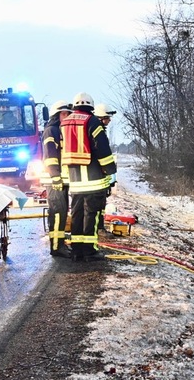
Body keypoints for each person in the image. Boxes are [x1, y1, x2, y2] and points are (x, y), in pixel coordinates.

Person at [60, 92, 117, 262]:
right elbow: (102, 149)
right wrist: (109, 169)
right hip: (93, 179)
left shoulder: (65, 123)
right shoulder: (92, 121)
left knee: (77, 214)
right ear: (91, 106)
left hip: (75, 180)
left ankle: (77, 250)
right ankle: (90, 251)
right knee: (91, 214)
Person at [41, 100, 73, 258]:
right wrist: (55, 176)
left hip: (61, 179)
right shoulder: (51, 131)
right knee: (58, 212)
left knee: (62, 211)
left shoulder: (61, 130)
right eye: (63, 114)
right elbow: (50, 156)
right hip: (54, 180)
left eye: (68, 113)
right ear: (56, 115)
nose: (66, 116)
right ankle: (56, 247)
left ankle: (60, 244)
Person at [94, 103, 118, 232]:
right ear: (100, 118)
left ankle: (100, 226)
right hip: (98, 176)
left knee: (101, 203)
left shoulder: (100, 131)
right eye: (106, 118)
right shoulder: (97, 133)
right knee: (98, 203)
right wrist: (110, 173)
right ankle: (99, 227)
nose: (108, 121)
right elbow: (103, 155)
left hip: (101, 176)